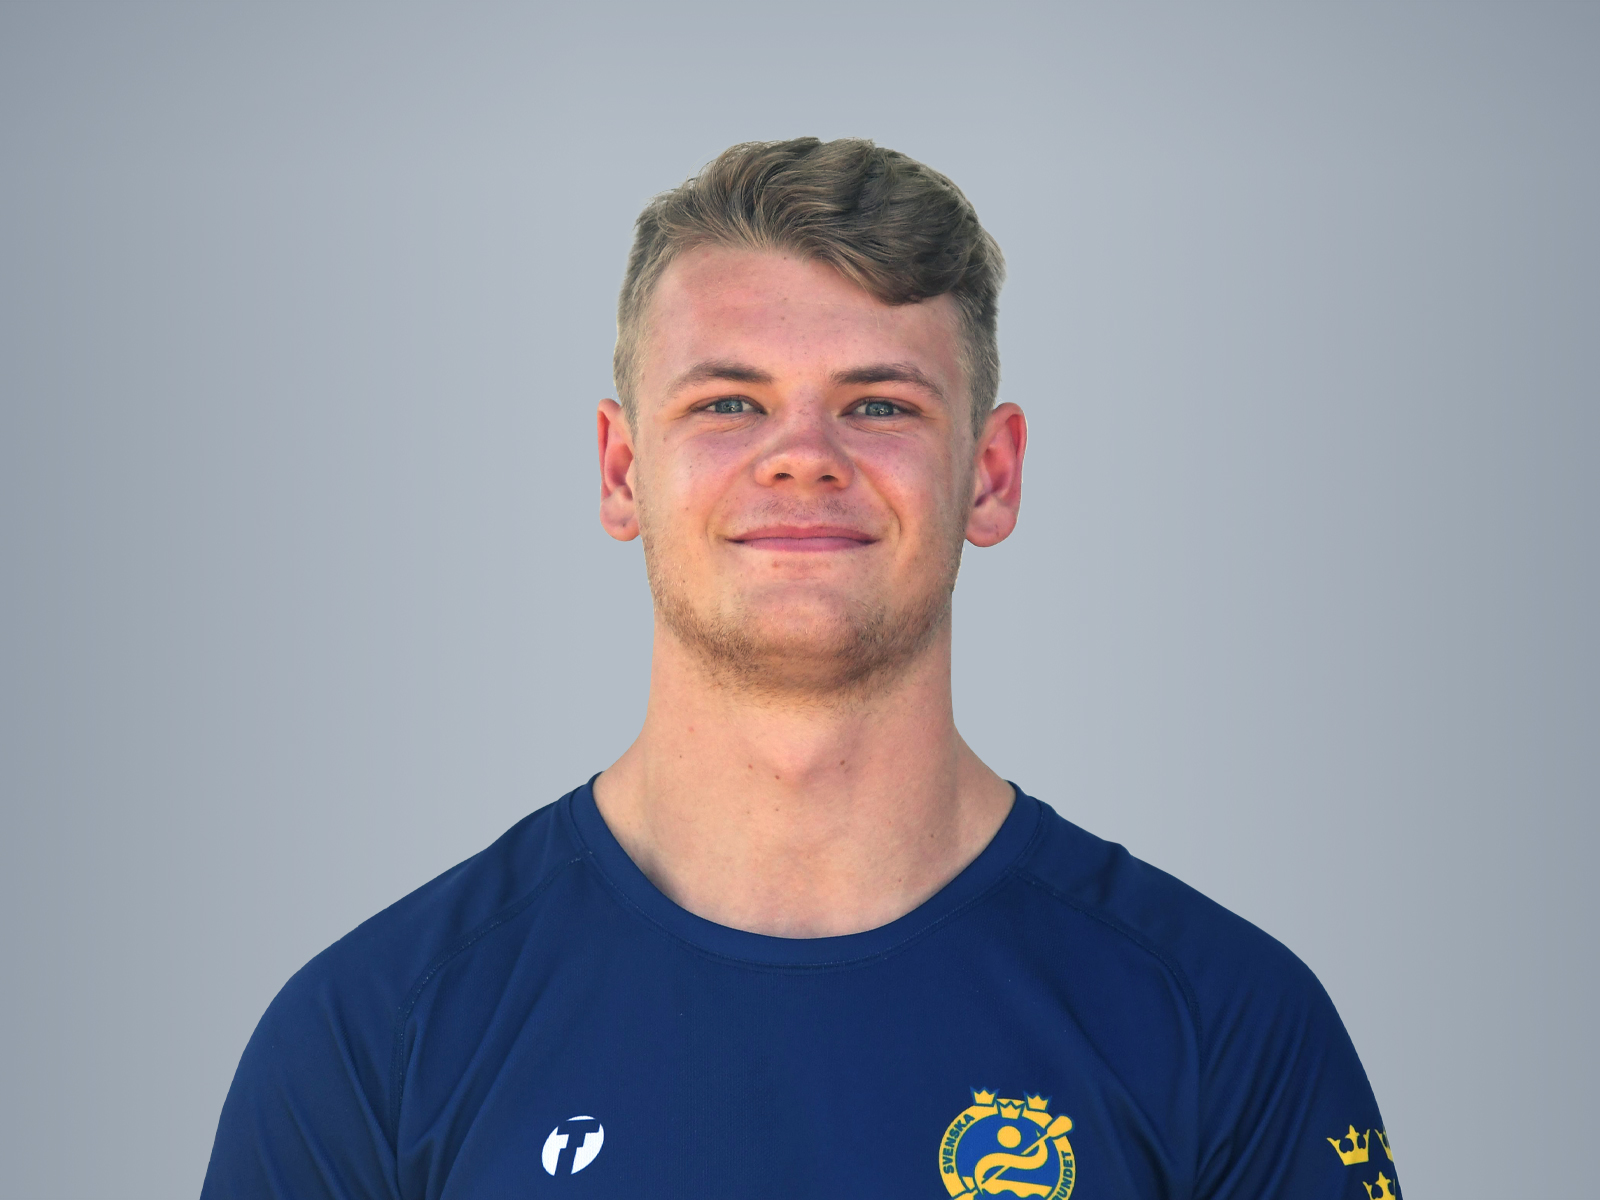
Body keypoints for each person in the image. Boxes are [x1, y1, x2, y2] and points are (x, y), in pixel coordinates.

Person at [202, 137, 1397, 1200]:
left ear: (990, 475)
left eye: (879, 407)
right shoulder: (375, 1038)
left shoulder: (1223, 1025)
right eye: (729, 403)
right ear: (621, 471)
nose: (801, 457)